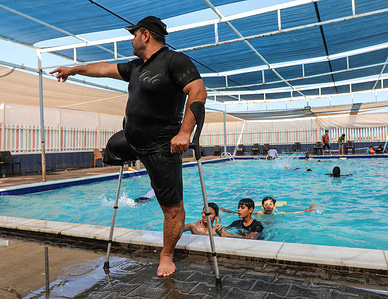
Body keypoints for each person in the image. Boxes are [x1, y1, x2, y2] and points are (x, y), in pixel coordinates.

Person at [50, 16, 207, 277]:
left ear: (145, 35)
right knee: (112, 147)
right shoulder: (136, 67)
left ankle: (166, 255)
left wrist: (184, 132)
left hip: (161, 146)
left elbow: (198, 91)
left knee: (173, 210)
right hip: (131, 140)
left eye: (133, 35)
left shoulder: (174, 61)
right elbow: (103, 69)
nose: (131, 40)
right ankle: (121, 158)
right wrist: (73, 70)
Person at [220, 196, 317, 215]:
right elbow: (240, 212)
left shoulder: (278, 214)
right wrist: (225, 210)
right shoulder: (259, 214)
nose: (268, 206)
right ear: (262, 207)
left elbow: (292, 212)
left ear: (274, 206)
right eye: (266, 205)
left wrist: (306, 210)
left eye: (270, 204)